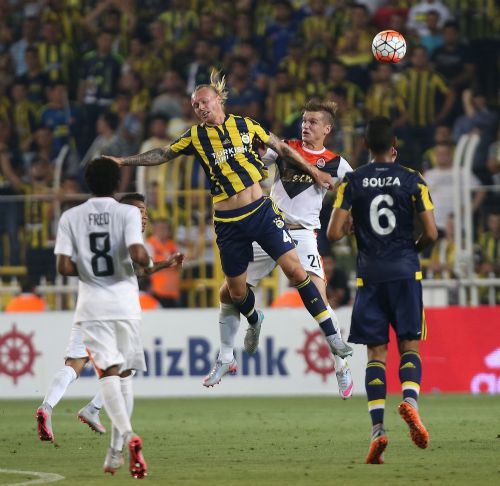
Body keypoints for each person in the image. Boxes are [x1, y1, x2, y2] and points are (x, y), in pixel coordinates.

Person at [105, 70, 353, 378]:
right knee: (234, 293)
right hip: (227, 221)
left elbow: (282, 149)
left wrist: (315, 173)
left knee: (296, 271)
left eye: (204, 102)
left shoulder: (246, 125)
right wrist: (124, 161)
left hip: (261, 212)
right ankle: (249, 325)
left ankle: (334, 340)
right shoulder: (195, 136)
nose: (200, 108)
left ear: (218, 100)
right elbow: (163, 153)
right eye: (195, 105)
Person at [203, 99, 354, 398]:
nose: (306, 126)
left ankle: (341, 366)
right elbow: (258, 159)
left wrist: (350, 216)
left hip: (302, 235)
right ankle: (226, 355)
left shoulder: (337, 164)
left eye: (313, 122)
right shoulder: (285, 148)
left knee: (319, 299)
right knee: (228, 293)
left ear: (327, 129)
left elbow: (355, 191)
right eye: (304, 120)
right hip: (269, 228)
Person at [36, 173, 180, 478]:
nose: (144, 217)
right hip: (119, 310)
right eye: (140, 211)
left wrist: (163, 264)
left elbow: (72, 265)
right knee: (121, 376)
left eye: (145, 212)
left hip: (87, 308)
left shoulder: (84, 222)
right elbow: (137, 264)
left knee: (77, 365)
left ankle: (49, 407)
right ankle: (119, 441)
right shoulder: (125, 229)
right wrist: (157, 264)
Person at [327, 117, 438, 464]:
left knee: (376, 355)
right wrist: (410, 251)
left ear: (364, 146)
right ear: (394, 147)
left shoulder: (353, 181)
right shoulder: (413, 179)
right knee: (410, 345)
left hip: (370, 276)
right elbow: (431, 233)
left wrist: (351, 227)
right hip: (405, 272)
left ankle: (377, 431)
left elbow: (332, 233)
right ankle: (411, 402)